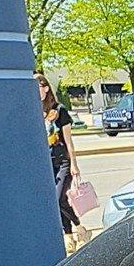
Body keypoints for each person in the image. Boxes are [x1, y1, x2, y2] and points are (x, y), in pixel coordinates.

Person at [36, 72, 86, 252]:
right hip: (48, 162)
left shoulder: (59, 110)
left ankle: (80, 228)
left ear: (46, 88)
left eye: (37, 88)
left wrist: (74, 163)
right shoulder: (36, 112)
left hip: (63, 160)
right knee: (59, 201)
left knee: (60, 199)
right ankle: (69, 237)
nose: (34, 92)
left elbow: (68, 140)